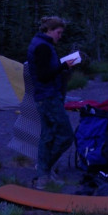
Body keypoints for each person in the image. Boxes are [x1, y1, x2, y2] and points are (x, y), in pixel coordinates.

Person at [27, 16, 75, 189]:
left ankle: (43, 177)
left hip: (43, 96)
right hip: (48, 97)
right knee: (66, 135)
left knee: (47, 135)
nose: (60, 36)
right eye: (58, 32)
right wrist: (63, 67)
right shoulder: (42, 47)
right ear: (49, 30)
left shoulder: (41, 44)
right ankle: (44, 169)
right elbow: (44, 75)